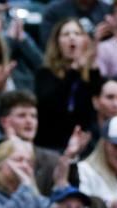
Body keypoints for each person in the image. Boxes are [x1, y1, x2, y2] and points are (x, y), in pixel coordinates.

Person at [33, 18, 99, 152]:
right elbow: (48, 105)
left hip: (83, 146)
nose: (72, 38)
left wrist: (91, 66)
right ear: (57, 42)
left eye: (77, 33)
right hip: (49, 145)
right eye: (66, 34)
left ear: (85, 41)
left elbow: (96, 107)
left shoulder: (91, 75)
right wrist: (74, 71)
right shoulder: (45, 73)